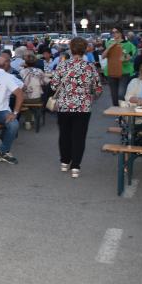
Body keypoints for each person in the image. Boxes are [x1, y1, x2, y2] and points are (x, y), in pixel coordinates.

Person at [49, 37, 103, 179]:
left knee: (64, 134)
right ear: (85, 49)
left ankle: (64, 162)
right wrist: (90, 95)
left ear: (71, 49)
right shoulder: (90, 67)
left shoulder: (62, 65)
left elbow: (54, 86)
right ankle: (75, 167)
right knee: (79, 137)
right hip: (83, 107)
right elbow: (98, 89)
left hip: (65, 106)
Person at [102, 26, 137, 106]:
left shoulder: (129, 44)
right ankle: (117, 113)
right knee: (114, 95)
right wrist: (110, 47)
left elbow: (131, 57)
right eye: (112, 32)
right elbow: (103, 56)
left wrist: (124, 56)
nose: (114, 34)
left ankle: (121, 114)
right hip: (111, 71)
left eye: (116, 32)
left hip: (124, 72)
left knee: (121, 94)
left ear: (121, 33)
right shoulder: (108, 43)